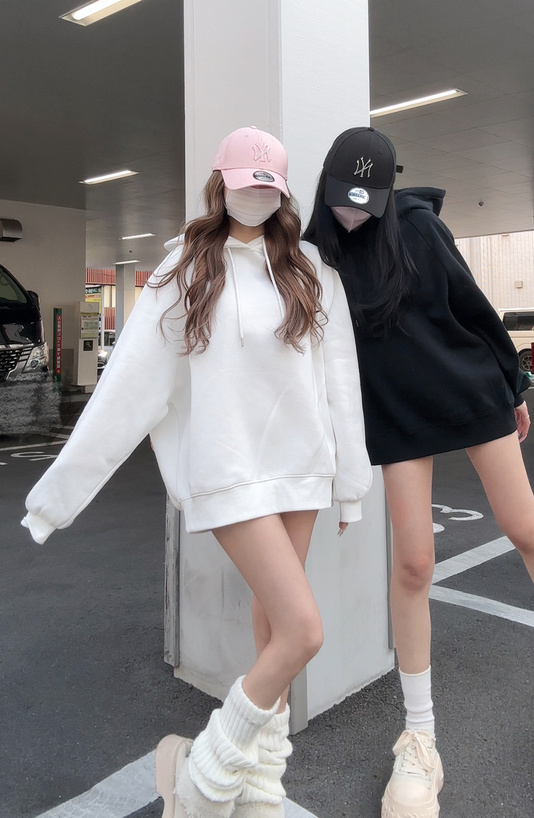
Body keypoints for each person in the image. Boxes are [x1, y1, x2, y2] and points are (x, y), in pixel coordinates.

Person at [22, 126, 372, 818]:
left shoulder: (311, 270)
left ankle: (261, 788)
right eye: (244, 186)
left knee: (273, 630)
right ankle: (202, 778)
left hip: (301, 471)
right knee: (303, 631)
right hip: (229, 472)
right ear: (220, 185)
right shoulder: (181, 271)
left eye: (267, 189)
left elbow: (341, 381)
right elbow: (126, 391)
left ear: (281, 194)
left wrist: (351, 484)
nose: (255, 198)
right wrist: (55, 499)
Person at [304, 126, 534, 818]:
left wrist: (514, 388)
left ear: (385, 193)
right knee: (413, 564)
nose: (351, 213)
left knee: (525, 528)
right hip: (396, 412)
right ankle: (420, 738)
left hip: (468, 390)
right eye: (342, 199)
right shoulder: (316, 250)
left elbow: (474, 308)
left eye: (364, 201)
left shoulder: (415, 227)